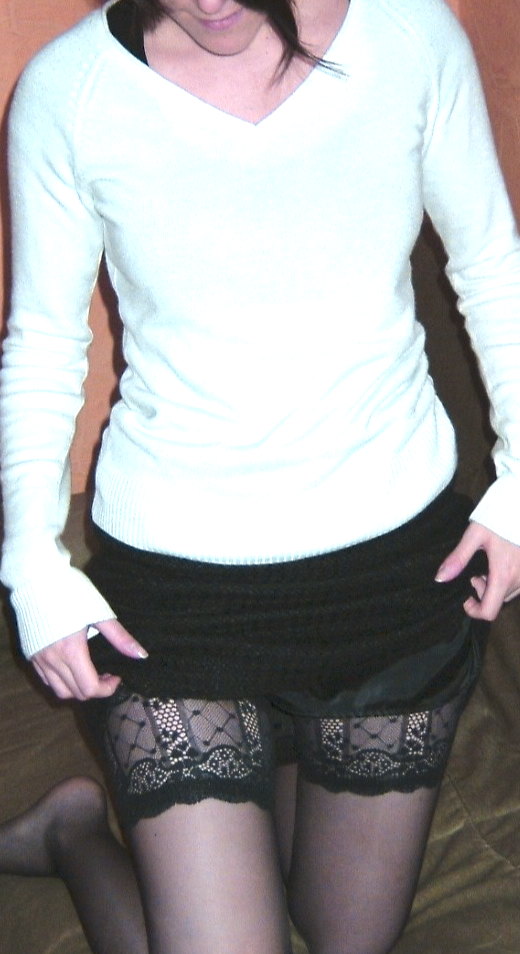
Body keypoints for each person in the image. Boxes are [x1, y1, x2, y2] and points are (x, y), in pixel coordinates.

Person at [2, 0, 520, 952]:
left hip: (391, 576)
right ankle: (73, 831)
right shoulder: (68, 93)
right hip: (177, 593)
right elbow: (43, 341)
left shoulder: (410, 37)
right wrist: (33, 562)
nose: (211, 3)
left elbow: (492, 264)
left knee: (343, 934)